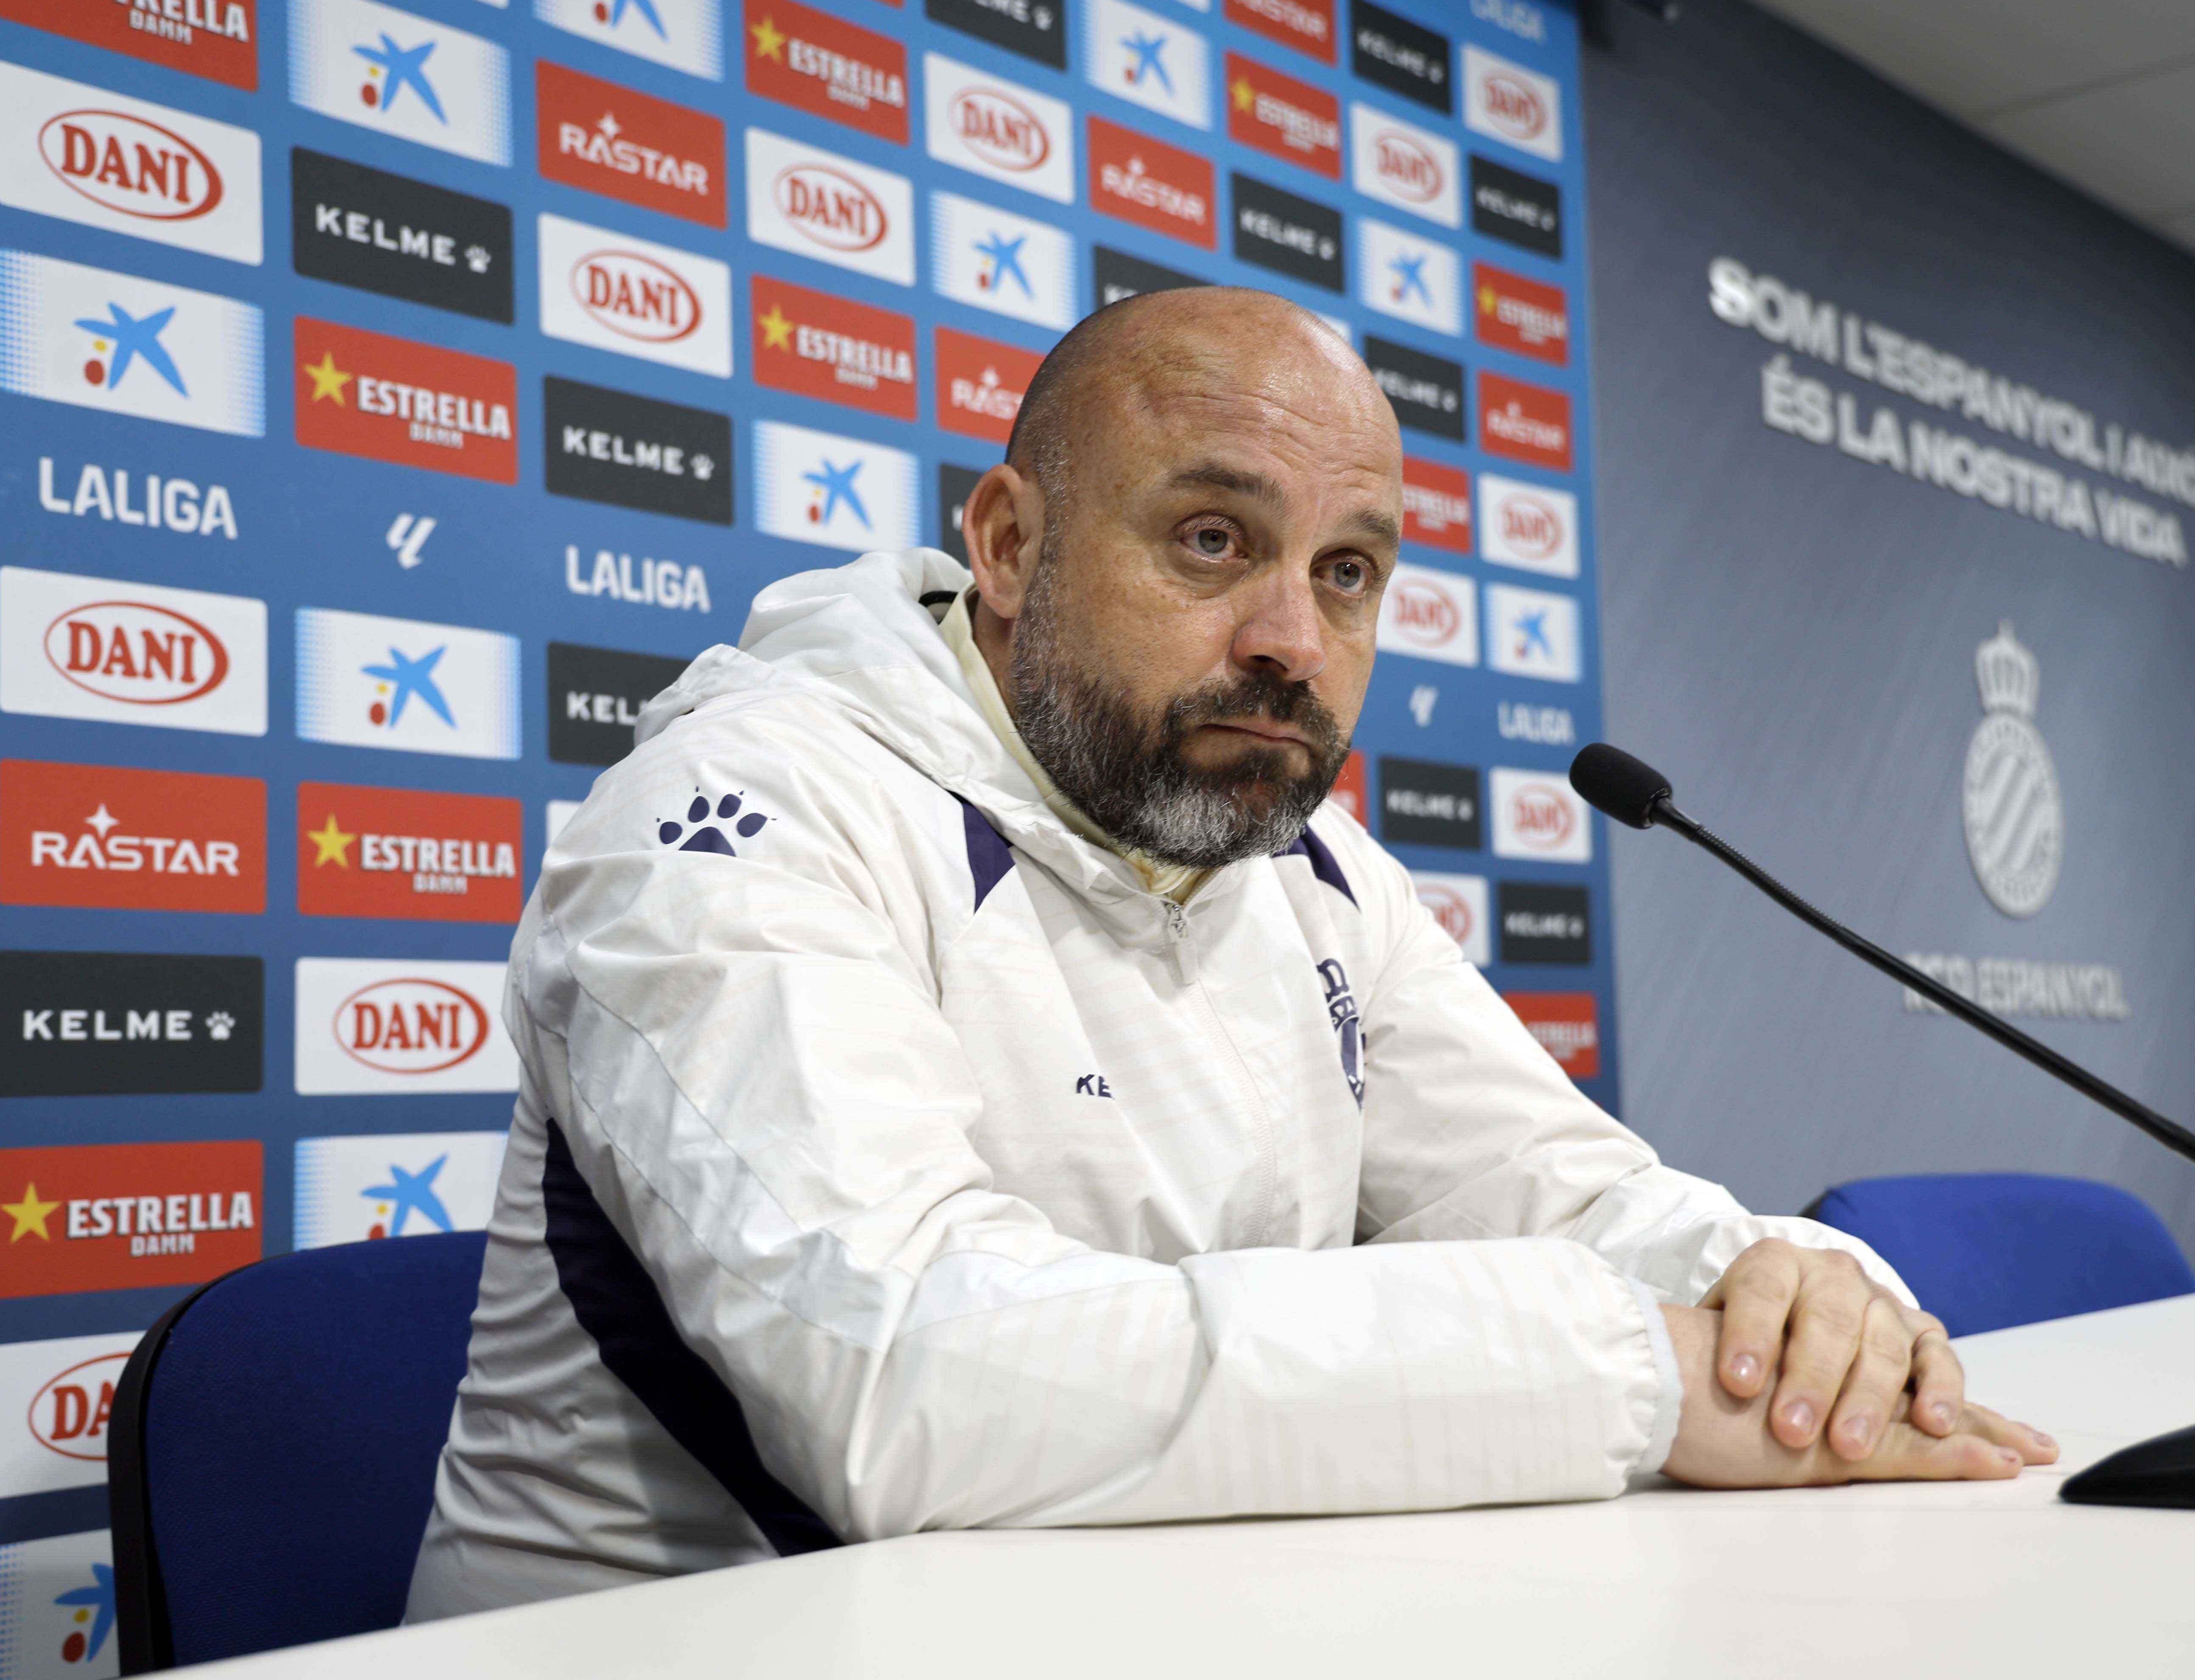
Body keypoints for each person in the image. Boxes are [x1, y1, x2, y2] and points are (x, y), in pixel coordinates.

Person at [404, 287, 2054, 1622]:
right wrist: (1637, 1371)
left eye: (1349, 574)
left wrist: (1785, 1298)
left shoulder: (1306, 861)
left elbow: (1565, 1195)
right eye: (1211, 540)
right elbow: (901, 1380)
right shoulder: (730, 814)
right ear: (1010, 545)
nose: (1290, 641)